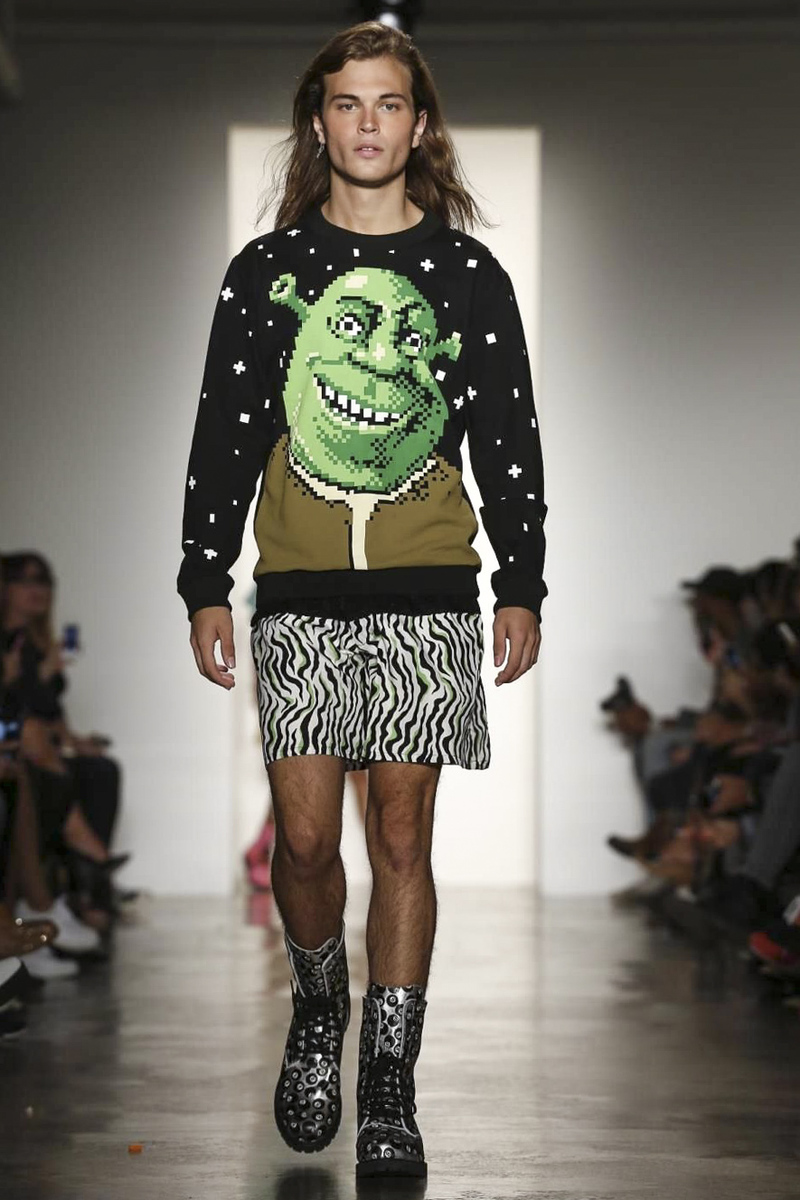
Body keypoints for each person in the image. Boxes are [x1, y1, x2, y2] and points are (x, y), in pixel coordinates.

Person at [177, 21, 547, 1181]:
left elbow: (507, 438)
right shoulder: (264, 274)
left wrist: (521, 581)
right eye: (346, 103)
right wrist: (202, 580)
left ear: (418, 125)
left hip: (430, 586)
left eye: (388, 103)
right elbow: (226, 432)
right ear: (318, 122)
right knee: (299, 838)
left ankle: (388, 1083)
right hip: (295, 589)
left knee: (398, 833)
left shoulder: (468, 276)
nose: (368, 123)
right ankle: (318, 1004)